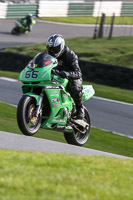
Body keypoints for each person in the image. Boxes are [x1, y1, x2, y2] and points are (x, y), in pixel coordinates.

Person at [46, 34, 84, 119]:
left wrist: (67, 74)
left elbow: (78, 73)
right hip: (57, 76)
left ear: (61, 47)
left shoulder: (70, 55)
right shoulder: (48, 56)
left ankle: (79, 109)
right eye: (50, 49)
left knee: (74, 86)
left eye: (55, 49)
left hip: (71, 77)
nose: (52, 52)